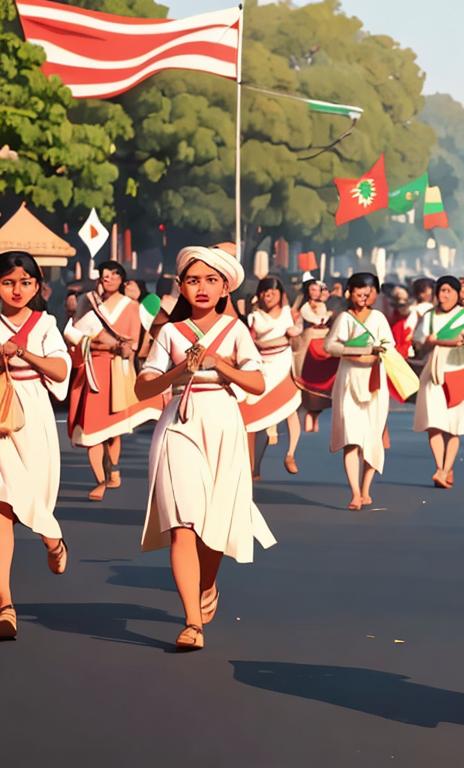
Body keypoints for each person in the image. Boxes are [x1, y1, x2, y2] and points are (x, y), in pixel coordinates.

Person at [136, 246, 275, 651]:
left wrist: (218, 362)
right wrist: (183, 368)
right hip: (178, 424)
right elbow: (144, 386)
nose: (201, 288)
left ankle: (208, 583)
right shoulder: (168, 333)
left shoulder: (236, 331)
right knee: (183, 523)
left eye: (211, 281)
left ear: (225, 288)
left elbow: (256, 383)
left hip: (223, 425)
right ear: (180, 286)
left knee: (213, 527)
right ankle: (192, 624)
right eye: (193, 280)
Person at [0, 252, 73, 640]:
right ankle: (4, 604)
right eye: (8, 282)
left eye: (24, 282)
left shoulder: (45, 324)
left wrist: (22, 351)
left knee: (37, 503)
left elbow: (61, 370)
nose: (16, 290)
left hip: (34, 418)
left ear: (37, 285)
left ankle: (52, 537)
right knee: (2, 508)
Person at [64, 260, 163, 501]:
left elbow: (133, 346)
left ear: (121, 280)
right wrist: (97, 343)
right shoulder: (88, 302)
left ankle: (113, 469)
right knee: (90, 431)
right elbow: (75, 333)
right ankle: (100, 480)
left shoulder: (130, 306)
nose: (107, 278)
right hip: (91, 368)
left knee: (112, 430)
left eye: (113, 274)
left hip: (117, 370)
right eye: (104, 274)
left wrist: (118, 347)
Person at [412, 276, 464, 488]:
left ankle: (444, 470)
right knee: (434, 424)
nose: (444, 295)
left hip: (459, 373)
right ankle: (442, 468)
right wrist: (430, 343)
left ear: (458, 294)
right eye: (441, 291)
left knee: (453, 427)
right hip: (433, 374)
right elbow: (419, 346)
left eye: (449, 291)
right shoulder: (429, 316)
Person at [325, 273, 396, 511]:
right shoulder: (344, 318)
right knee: (351, 437)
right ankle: (355, 492)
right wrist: (354, 350)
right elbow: (330, 346)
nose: (363, 297)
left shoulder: (378, 318)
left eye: (368, 292)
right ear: (350, 292)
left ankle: (366, 489)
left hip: (374, 382)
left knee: (372, 436)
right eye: (359, 292)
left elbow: (389, 346)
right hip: (348, 381)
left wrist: (374, 351)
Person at [241, 276, 303, 477]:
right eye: (264, 292)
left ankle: (291, 453)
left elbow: (298, 342)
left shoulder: (290, 314)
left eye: (272, 293)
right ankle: (255, 465)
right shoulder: (254, 317)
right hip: (263, 366)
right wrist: (282, 338)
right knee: (260, 416)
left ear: (281, 295)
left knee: (290, 408)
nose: (268, 296)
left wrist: (294, 335)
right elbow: (252, 344)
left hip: (285, 364)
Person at [292, 279, 333, 433]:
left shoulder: (322, 305)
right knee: (308, 380)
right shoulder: (305, 308)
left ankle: (315, 418)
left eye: (318, 289)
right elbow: (316, 320)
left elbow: (323, 319)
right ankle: (309, 420)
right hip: (308, 344)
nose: (316, 292)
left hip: (321, 343)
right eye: (313, 289)